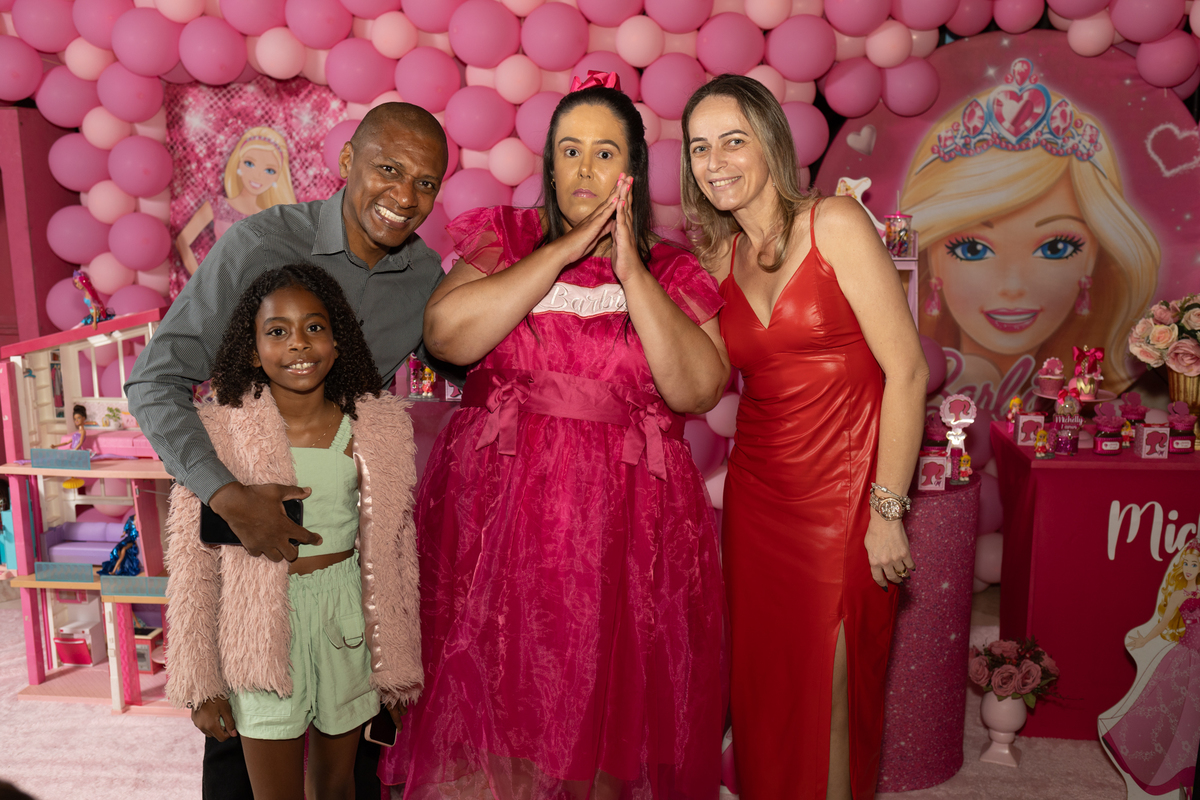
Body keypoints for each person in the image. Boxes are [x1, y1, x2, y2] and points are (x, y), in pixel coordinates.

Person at [389, 77, 729, 799]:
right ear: (549, 164)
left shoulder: (672, 268)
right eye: (569, 151)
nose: (584, 169)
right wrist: (562, 249)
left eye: (604, 153)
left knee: (606, 708)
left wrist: (631, 271)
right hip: (500, 513)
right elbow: (446, 336)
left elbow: (698, 390)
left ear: (632, 169)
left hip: (625, 524)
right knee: (504, 697)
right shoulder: (504, 238)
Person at [126, 102, 450, 800]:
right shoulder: (262, 244)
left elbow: (468, 366)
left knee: (352, 777)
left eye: (426, 182)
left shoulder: (424, 276)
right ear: (346, 162)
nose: (404, 196)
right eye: (388, 169)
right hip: (246, 548)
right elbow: (155, 380)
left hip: (345, 578)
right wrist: (227, 495)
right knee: (242, 766)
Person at [680, 74, 928, 800]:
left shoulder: (835, 223)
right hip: (759, 500)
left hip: (847, 500)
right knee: (766, 690)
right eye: (699, 147)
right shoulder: (715, 260)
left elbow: (908, 371)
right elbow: (702, 385)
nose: (715, 162)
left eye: (733, 141)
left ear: (770, 144)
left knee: (831, 696)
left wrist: (888, 510)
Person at [165, 264, 423, 800]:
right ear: (252, 350)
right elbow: (193, 567)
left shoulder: (376, 428)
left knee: (337, 786)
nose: (298, 343)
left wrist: (395, 666)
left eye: (314, 327)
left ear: (337, 340)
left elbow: (396, 553)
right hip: (258, 627)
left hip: (346, 620)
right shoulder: (220, 432)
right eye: (277, 331)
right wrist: (200, 683)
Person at [899, 57, 1159, 404]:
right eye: (972, 249)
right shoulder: (897, 381)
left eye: (1055, 248)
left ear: (1093, 258)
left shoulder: (1099, 395)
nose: (1012, 286)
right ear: (932, 259)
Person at [1101, 537, 1200, 795]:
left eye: (1194, 564)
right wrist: (1144, 640)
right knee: (1174, 717)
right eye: (1186, 563)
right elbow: (1163, 623)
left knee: (1192, 723)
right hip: (1187, 660)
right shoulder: (1178, 595)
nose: (1189, 568)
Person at [176, 126, 299, 277]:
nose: (257, 175)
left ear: (277, 178)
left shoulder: (270, 217)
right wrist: (201, 280)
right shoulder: (218, 205)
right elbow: (182, 241)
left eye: (269, 170)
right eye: (250, 163)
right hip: (222, 282)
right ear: (238, 164)